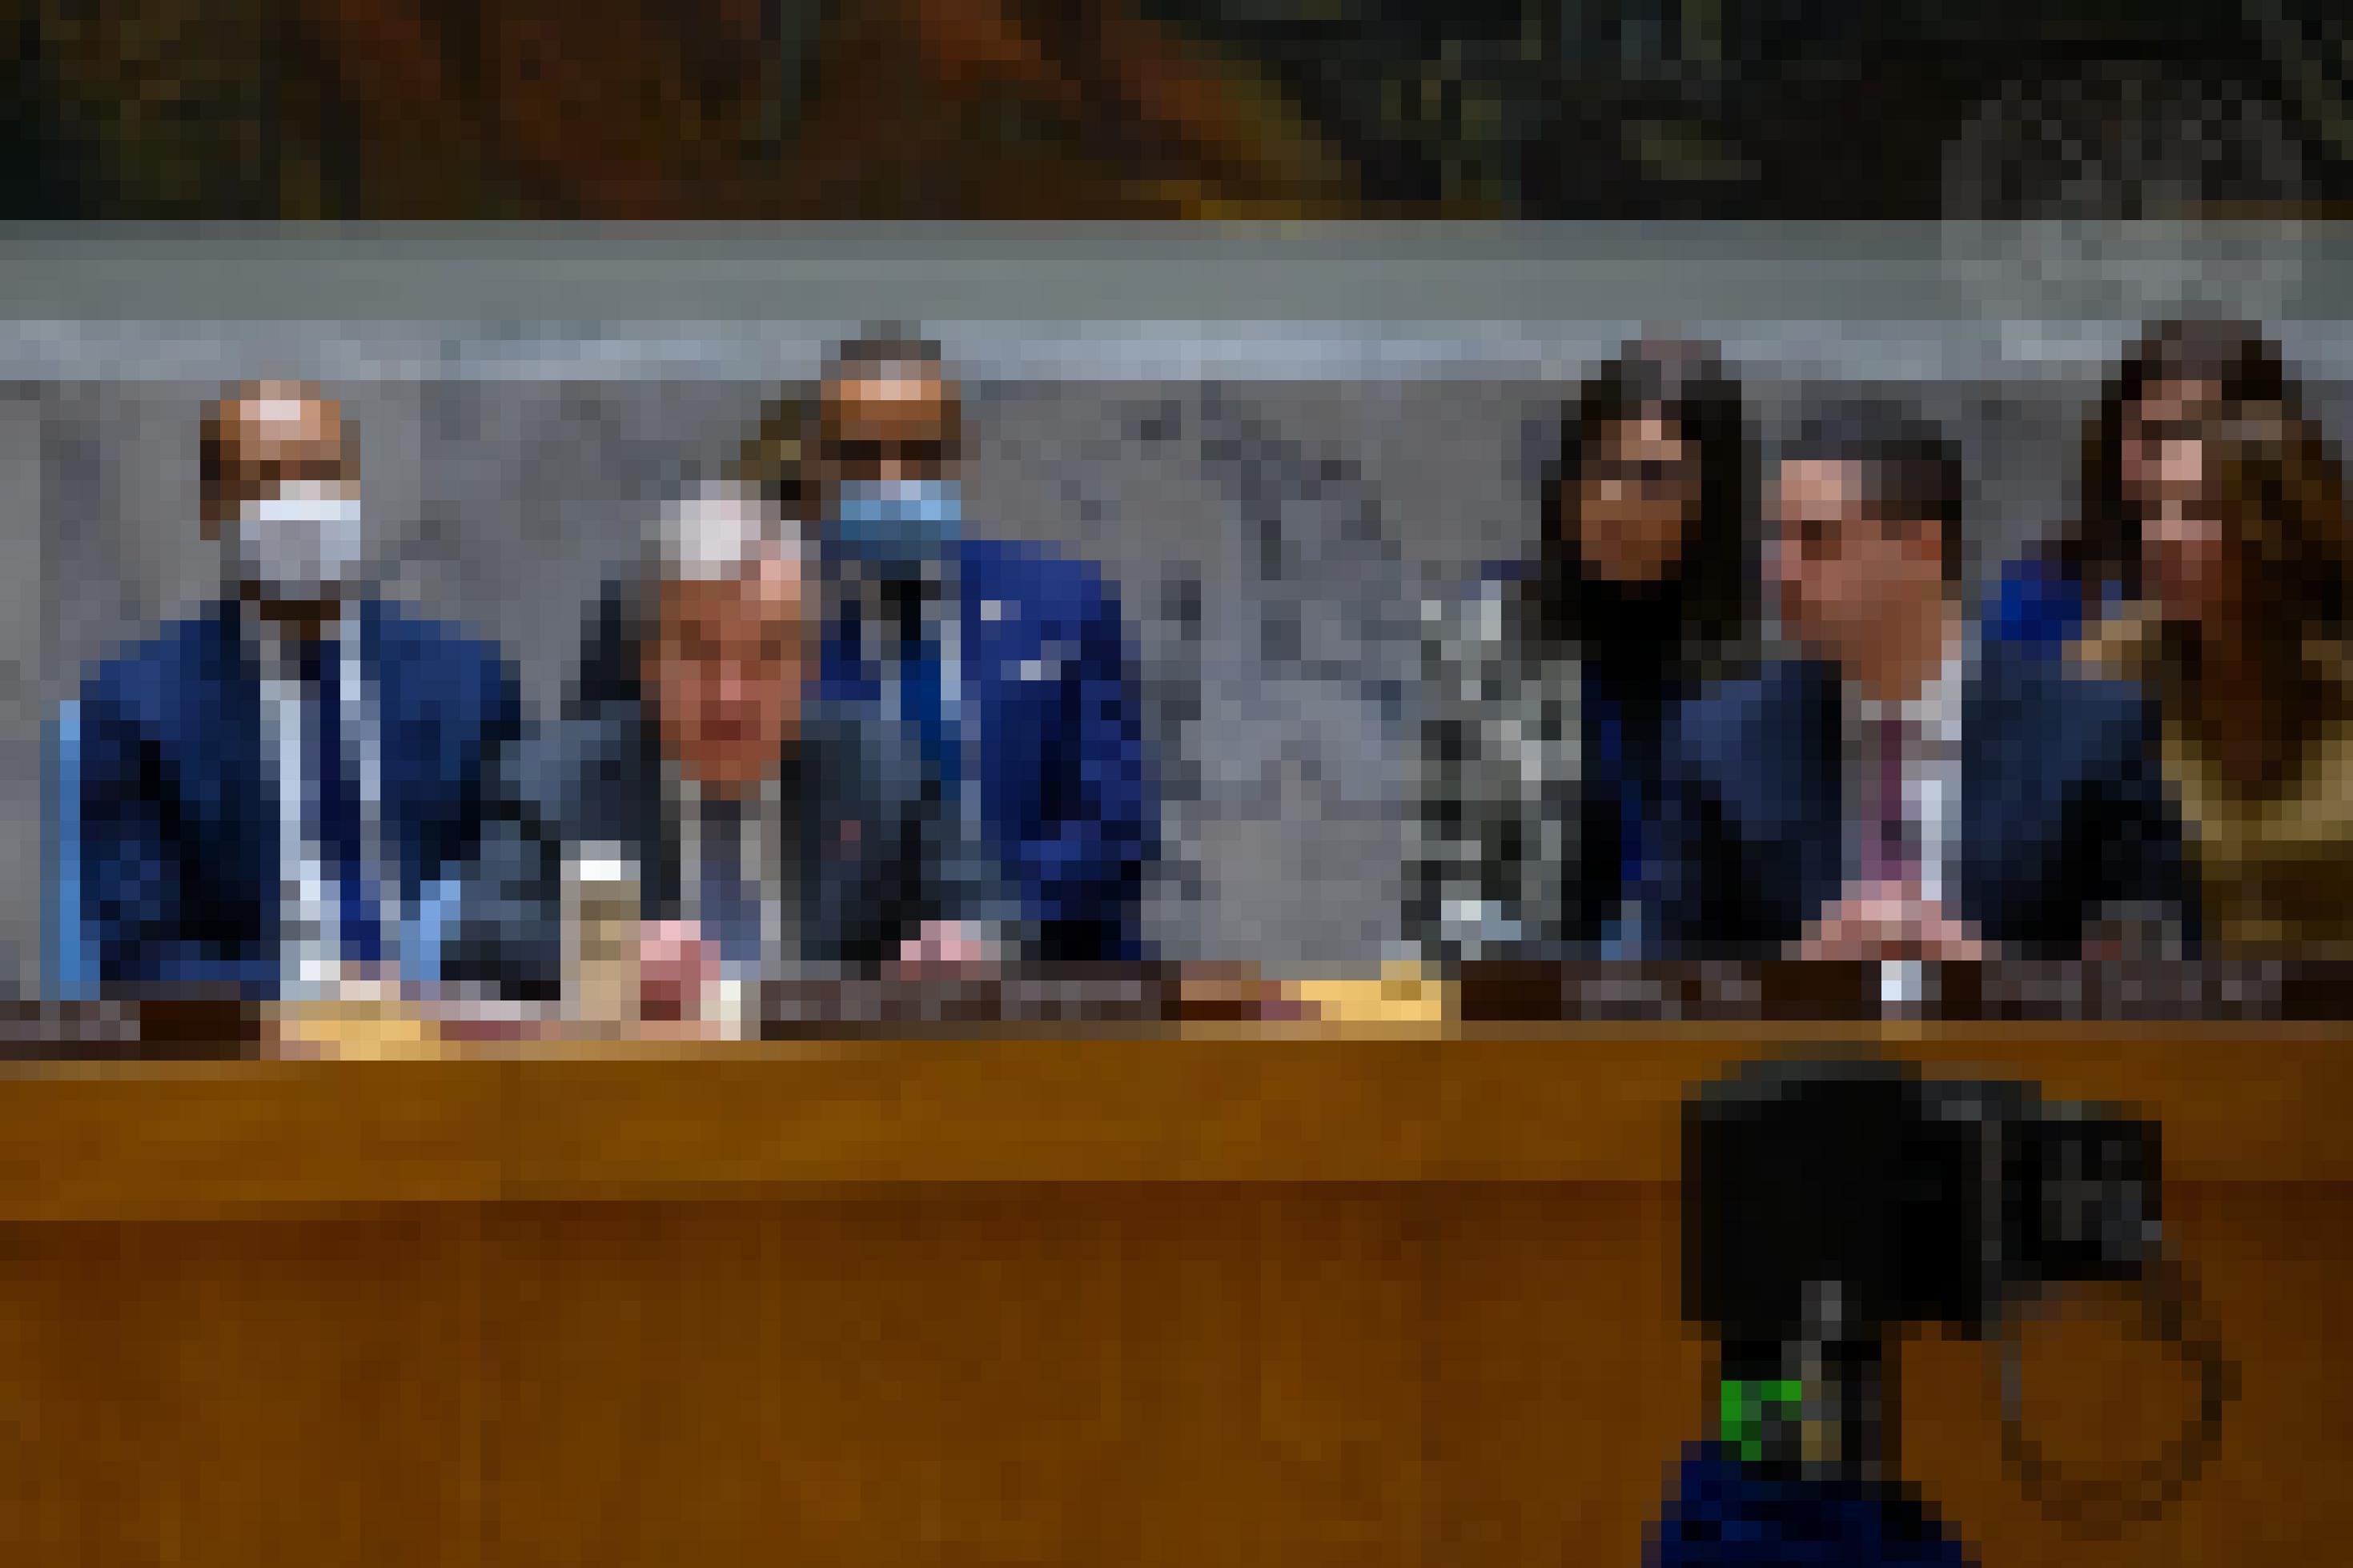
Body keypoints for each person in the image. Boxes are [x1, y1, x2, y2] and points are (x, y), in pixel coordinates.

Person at [1650, 398, 2198, 960]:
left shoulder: (2095, 736)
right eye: (1774, 539)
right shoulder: (1717, 744)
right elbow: (1660, 987)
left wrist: (1980, 984)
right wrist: (1801, 979)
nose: (1779, 570)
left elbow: (2150, 989)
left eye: (1815, 539)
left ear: (1922, 549)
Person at [440, 448, 985, 1009]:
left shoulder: (882, 776)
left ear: (809, 666)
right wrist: (609, 959)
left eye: (767, 654)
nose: (730, 693)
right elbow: (480, 938)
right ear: (647, 660)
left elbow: (992, 909)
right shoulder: (556, 786)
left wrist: (963, 945)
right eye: (699, 653)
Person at [66, 380, 524, 997]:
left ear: (354, 489)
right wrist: (318, 995)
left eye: (320, 473)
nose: (300, 504)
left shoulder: (472, 688)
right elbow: (142, 963)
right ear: (213, 512)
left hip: (438, 1046)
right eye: (265, 480)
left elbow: (523, 915)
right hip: (250, 1058)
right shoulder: (135, 711)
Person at [807, 327, 1157, 963]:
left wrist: (987, 923)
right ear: (821, 464)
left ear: (956, 455)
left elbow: (1118, 827)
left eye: (918, 453)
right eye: (862, 455)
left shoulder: (1062, 605)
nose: (893, 481)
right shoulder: (782, 627)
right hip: (847, 992)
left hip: (1052, 979)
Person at [1407, 336, 1758, 960]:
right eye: (1597, 468)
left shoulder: (1753, 662)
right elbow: (1440, 890)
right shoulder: (1488, 638)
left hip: (1703, 1016)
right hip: (1527, 1010)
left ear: (1711, 500)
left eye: (1653, 479)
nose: (1614, 504)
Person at [2075, 405, 2353, 955]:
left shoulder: (2338, 674)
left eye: (2198, 511)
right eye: (2153, 511)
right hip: (2174, 1023)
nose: (2161, 537)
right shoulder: (2104, 670)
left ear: (2276, 531)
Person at [1986, 316, 2304, 655]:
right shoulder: (2046, 590)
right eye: (2147, 435)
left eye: (2185, 431)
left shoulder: (2305, 596)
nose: (2160, 461)